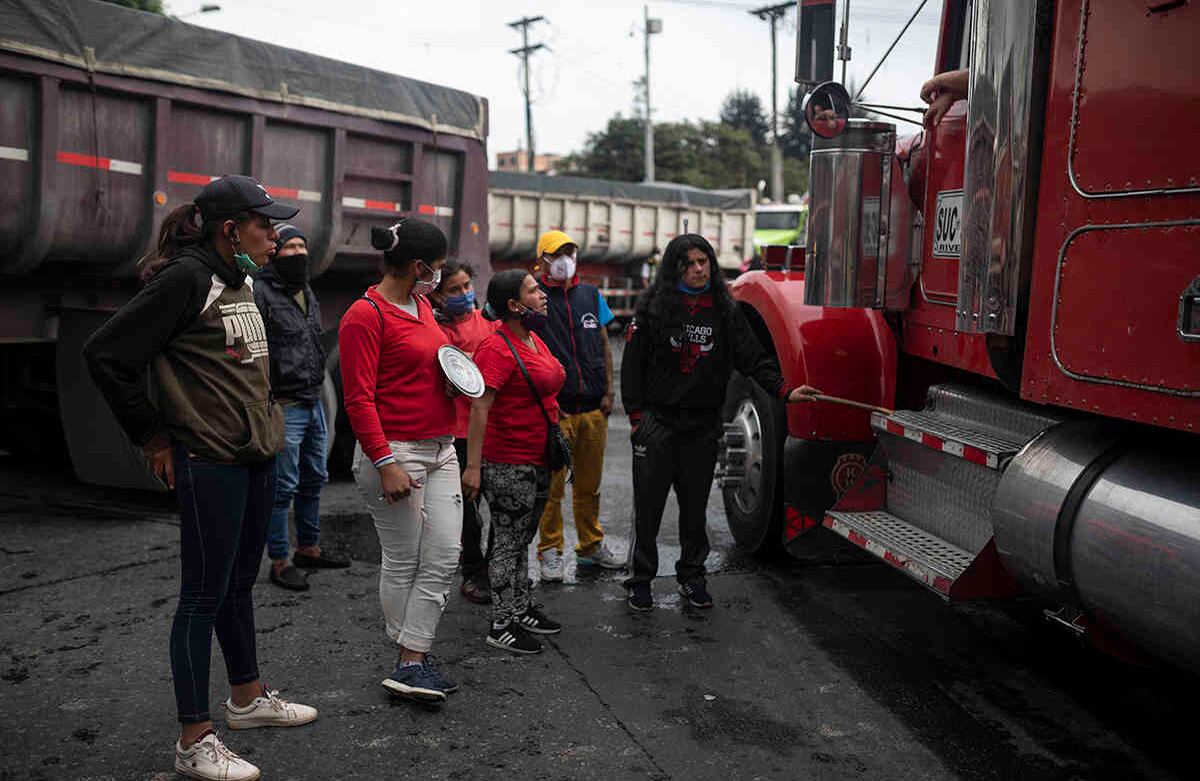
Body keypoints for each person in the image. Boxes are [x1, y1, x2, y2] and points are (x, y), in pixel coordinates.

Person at [83, 175, 318, 781]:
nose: (276, 235)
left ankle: (247, 700)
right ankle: (194, 738)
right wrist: (153, 436)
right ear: (230, 230)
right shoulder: (185, 278)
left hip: (254, 453)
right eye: (266, 225)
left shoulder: (242, 279)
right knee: (201, 595)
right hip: (209, 460)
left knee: (239, 585)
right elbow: (106, 355)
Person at [620, 234, 819, 612]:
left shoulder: (725, 312)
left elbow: (752, 357)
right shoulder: (653, 310)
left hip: (702, 428)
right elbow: (632, 369)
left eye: (704, 262)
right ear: (675, 268)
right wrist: (637, 420)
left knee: (694, 512)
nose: (698, 270)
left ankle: (692, 577)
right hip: (658, 426)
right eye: (689, 263)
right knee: (648, 511)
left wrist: (784, 391)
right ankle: (641, 580)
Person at [338, 218, 461, 703]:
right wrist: (386, 461)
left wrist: (452, 380)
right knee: (405, 559)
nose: (440, 273)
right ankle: (411, 660)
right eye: (436, 266)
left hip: (441, 448)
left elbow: (428, 366)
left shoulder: (423, 305)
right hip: (396, 453)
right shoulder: (364, 316)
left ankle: (413, 654)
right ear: (417, 266)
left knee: (444, 554)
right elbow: (358, 401)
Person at [462, 269, 566, 655]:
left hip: (538, 457)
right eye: (533, 290)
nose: (542, 294)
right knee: (507, 541)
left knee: (522, 538)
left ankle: (521, 609)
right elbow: (479, 408)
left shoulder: (533, 338)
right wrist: (473, 467)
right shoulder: (496, 348)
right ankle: (501, 623)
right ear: (513, 304)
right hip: (508, 462)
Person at [253, 224, 349, 592]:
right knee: (283, 487)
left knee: (314, 479)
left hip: (312, 403)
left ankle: (309, 548)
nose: (298, 254)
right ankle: (280, 560)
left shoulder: (306, 291)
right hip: (285, 406)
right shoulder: (261, 293)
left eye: (301, 247)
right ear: (275, 254)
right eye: (289, 247)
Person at [528, 230, 624, 582]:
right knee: (552, 489)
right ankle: (550, 551)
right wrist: (547, 402)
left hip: (592, 411)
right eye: (558, 253)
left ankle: (590, 547)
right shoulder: (535, 300)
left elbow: (602, 341)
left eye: (570, 251)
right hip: (557, 413)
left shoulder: (590, 295)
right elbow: (527, 353)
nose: (566, 258)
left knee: (589, 486)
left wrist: (609, 392)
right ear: (543, 260)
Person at [430, 258, 497, 605]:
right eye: (454, 290)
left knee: (499, 506)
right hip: (455, 434)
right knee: (468, 514)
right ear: (439, 297)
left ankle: (497, 571)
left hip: (490, 431)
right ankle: (473, 572)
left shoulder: (489, 327)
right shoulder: (434, 332)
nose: (464, 294)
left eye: (467, 287)